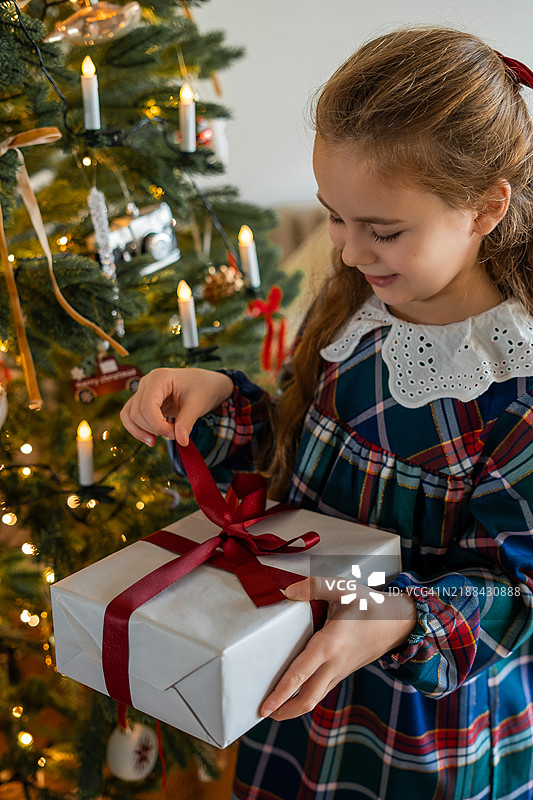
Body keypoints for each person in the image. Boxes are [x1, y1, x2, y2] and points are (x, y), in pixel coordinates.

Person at [120, 26, 533, 800]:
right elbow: (295, 489)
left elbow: (517, 595)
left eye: (382, 231)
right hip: (297, 680)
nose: (345, 251)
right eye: (335, 217)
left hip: (417, 731)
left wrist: (397, 615)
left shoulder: (514, 388)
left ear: (484, 209)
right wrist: (215, 405)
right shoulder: (362, 315)